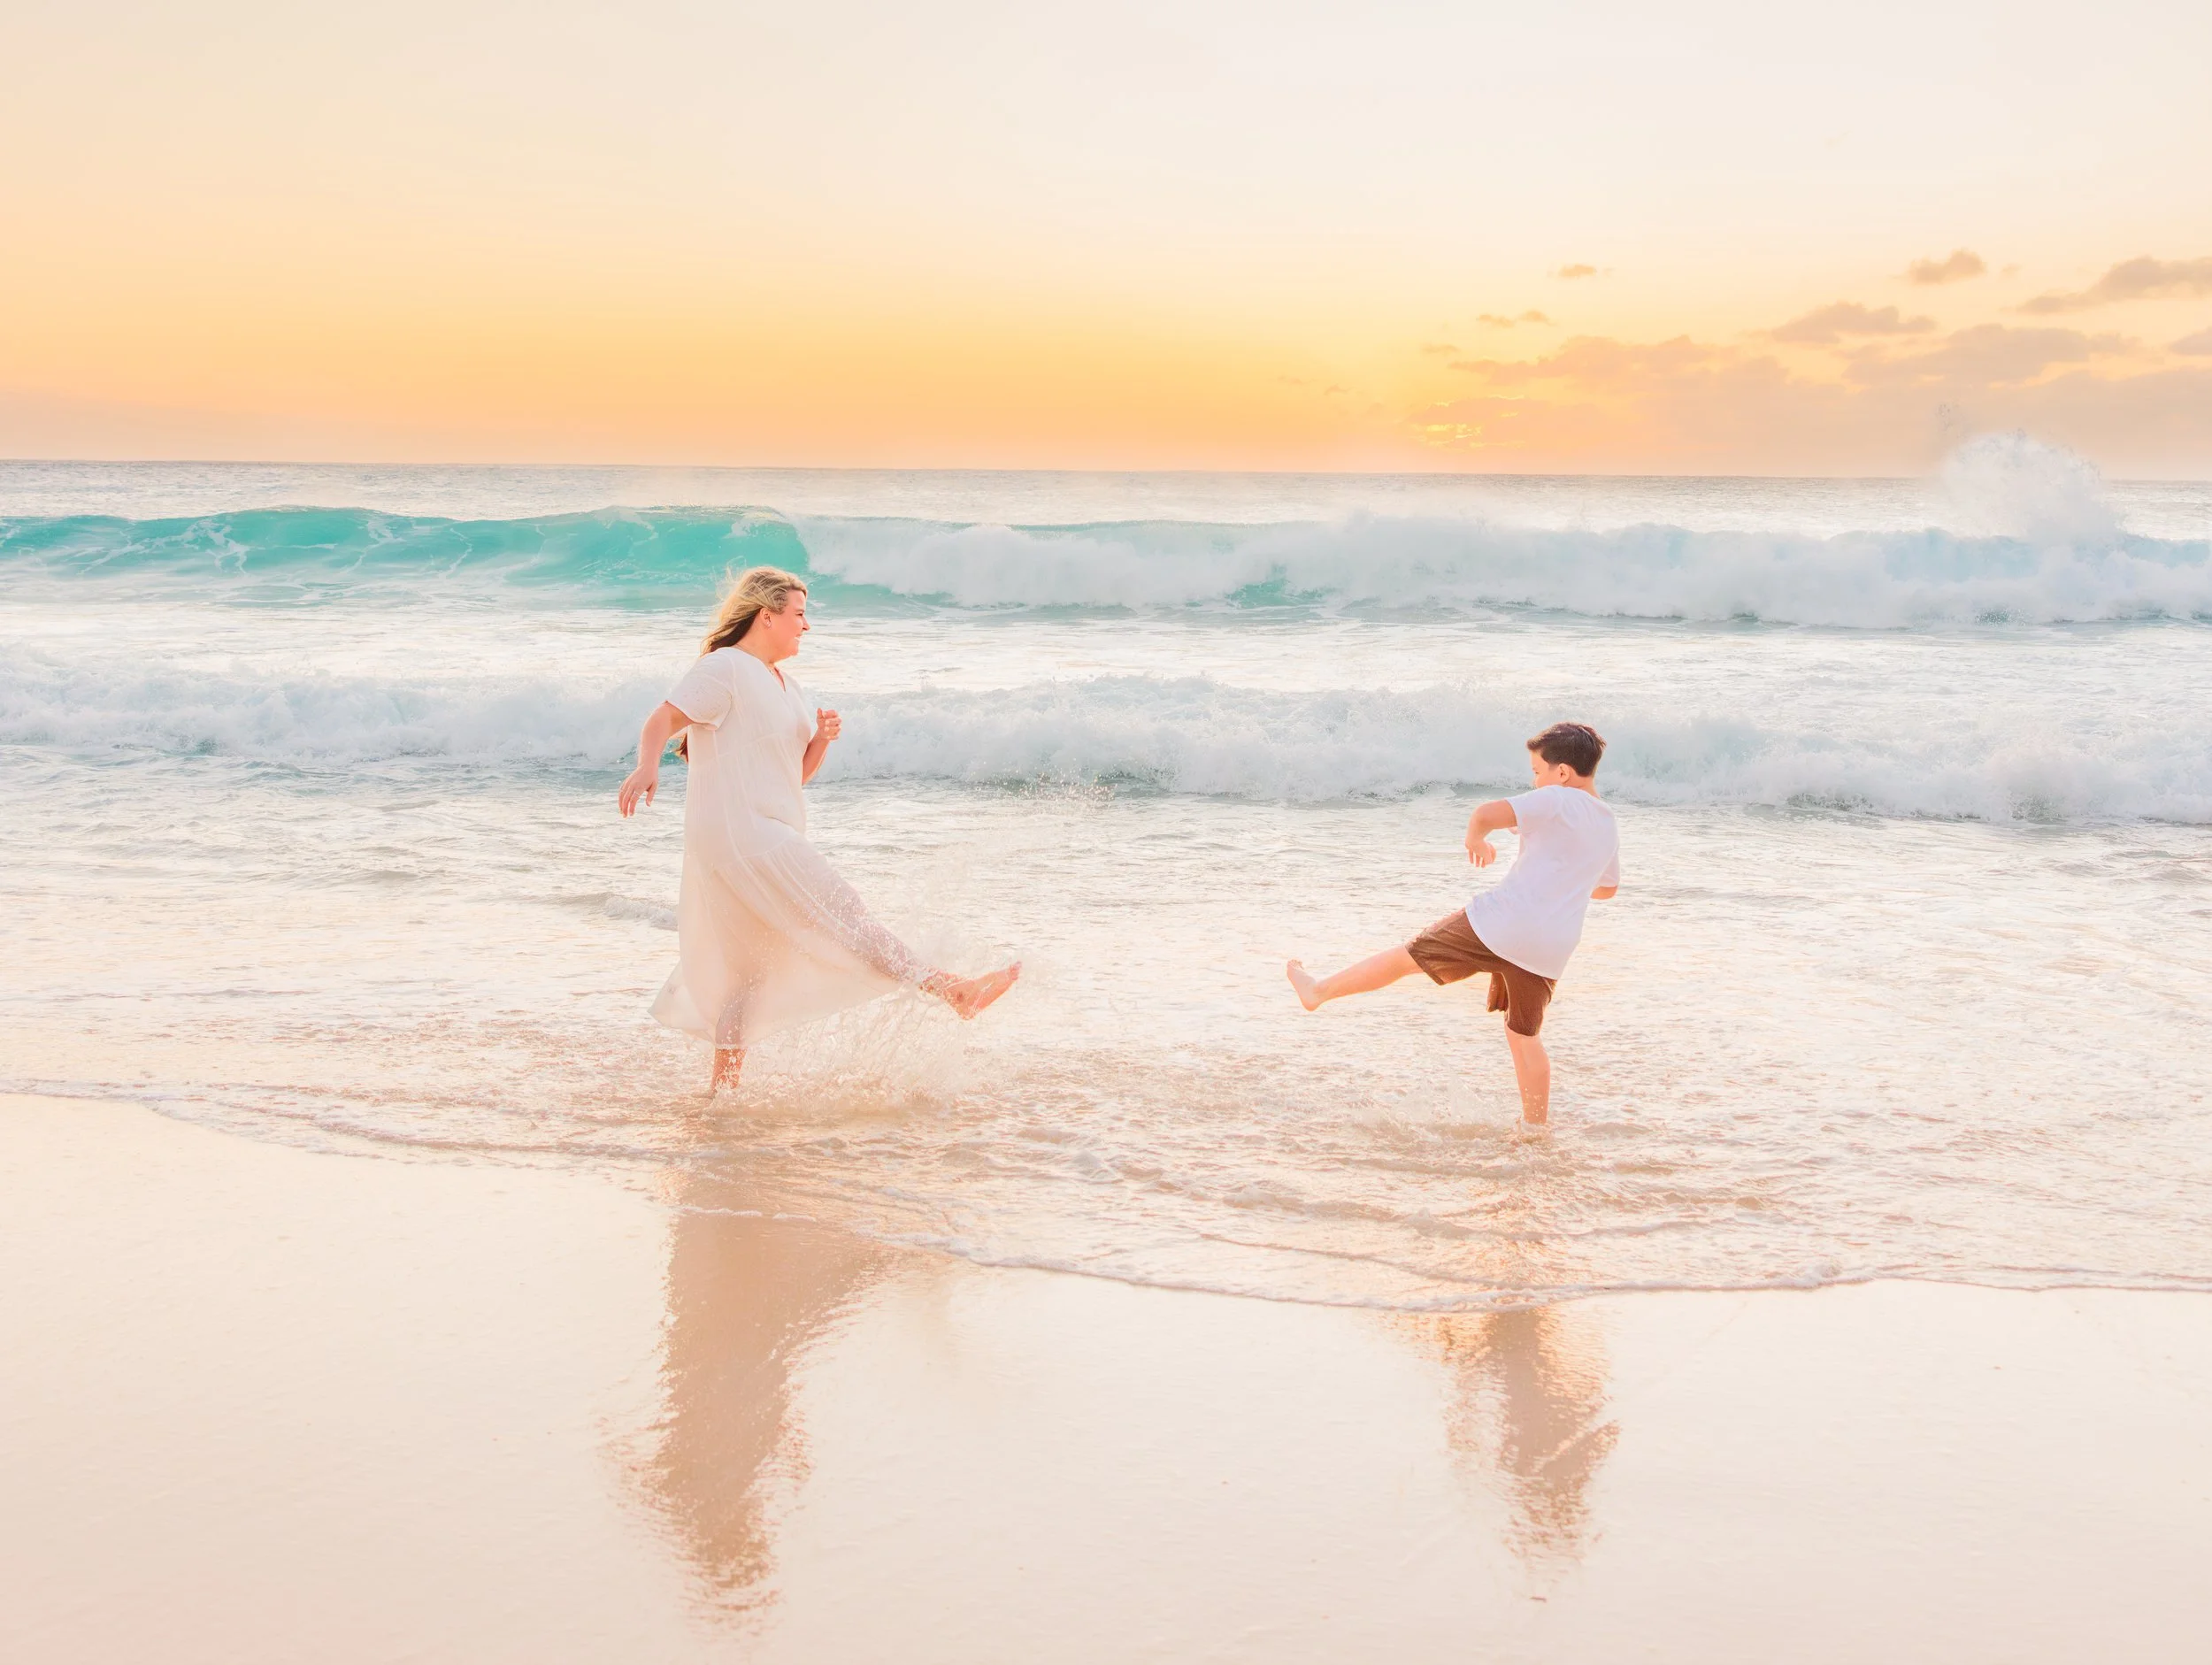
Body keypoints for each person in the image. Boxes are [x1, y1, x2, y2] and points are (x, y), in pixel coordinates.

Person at [618, 565, 1018, 1092]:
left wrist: (821, 740)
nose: (806, 627)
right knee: (843, 910)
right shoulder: (727, 668)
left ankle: (723, 1094)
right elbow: (661, 719)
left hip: (760, 830)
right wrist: (648, 766)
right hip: (744, 832)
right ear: (767, 617)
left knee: (749, 975)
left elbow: (794, 777)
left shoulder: (790, 685)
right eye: (799, 615)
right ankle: (951, 990)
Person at [1286, 723, 1619, 1126]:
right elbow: (1607, 888)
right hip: (1551, 947)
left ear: (1562, 773)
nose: (1533, 780)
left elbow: (1486, 814)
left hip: (1503, 923)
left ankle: (1318, 991)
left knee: (1408, 957)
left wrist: (1475, 840)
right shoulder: (1606, 823)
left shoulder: (1556, 799)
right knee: (1525, 1037)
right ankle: (1535, 1130)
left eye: (1536, 771)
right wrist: (1561, 889)